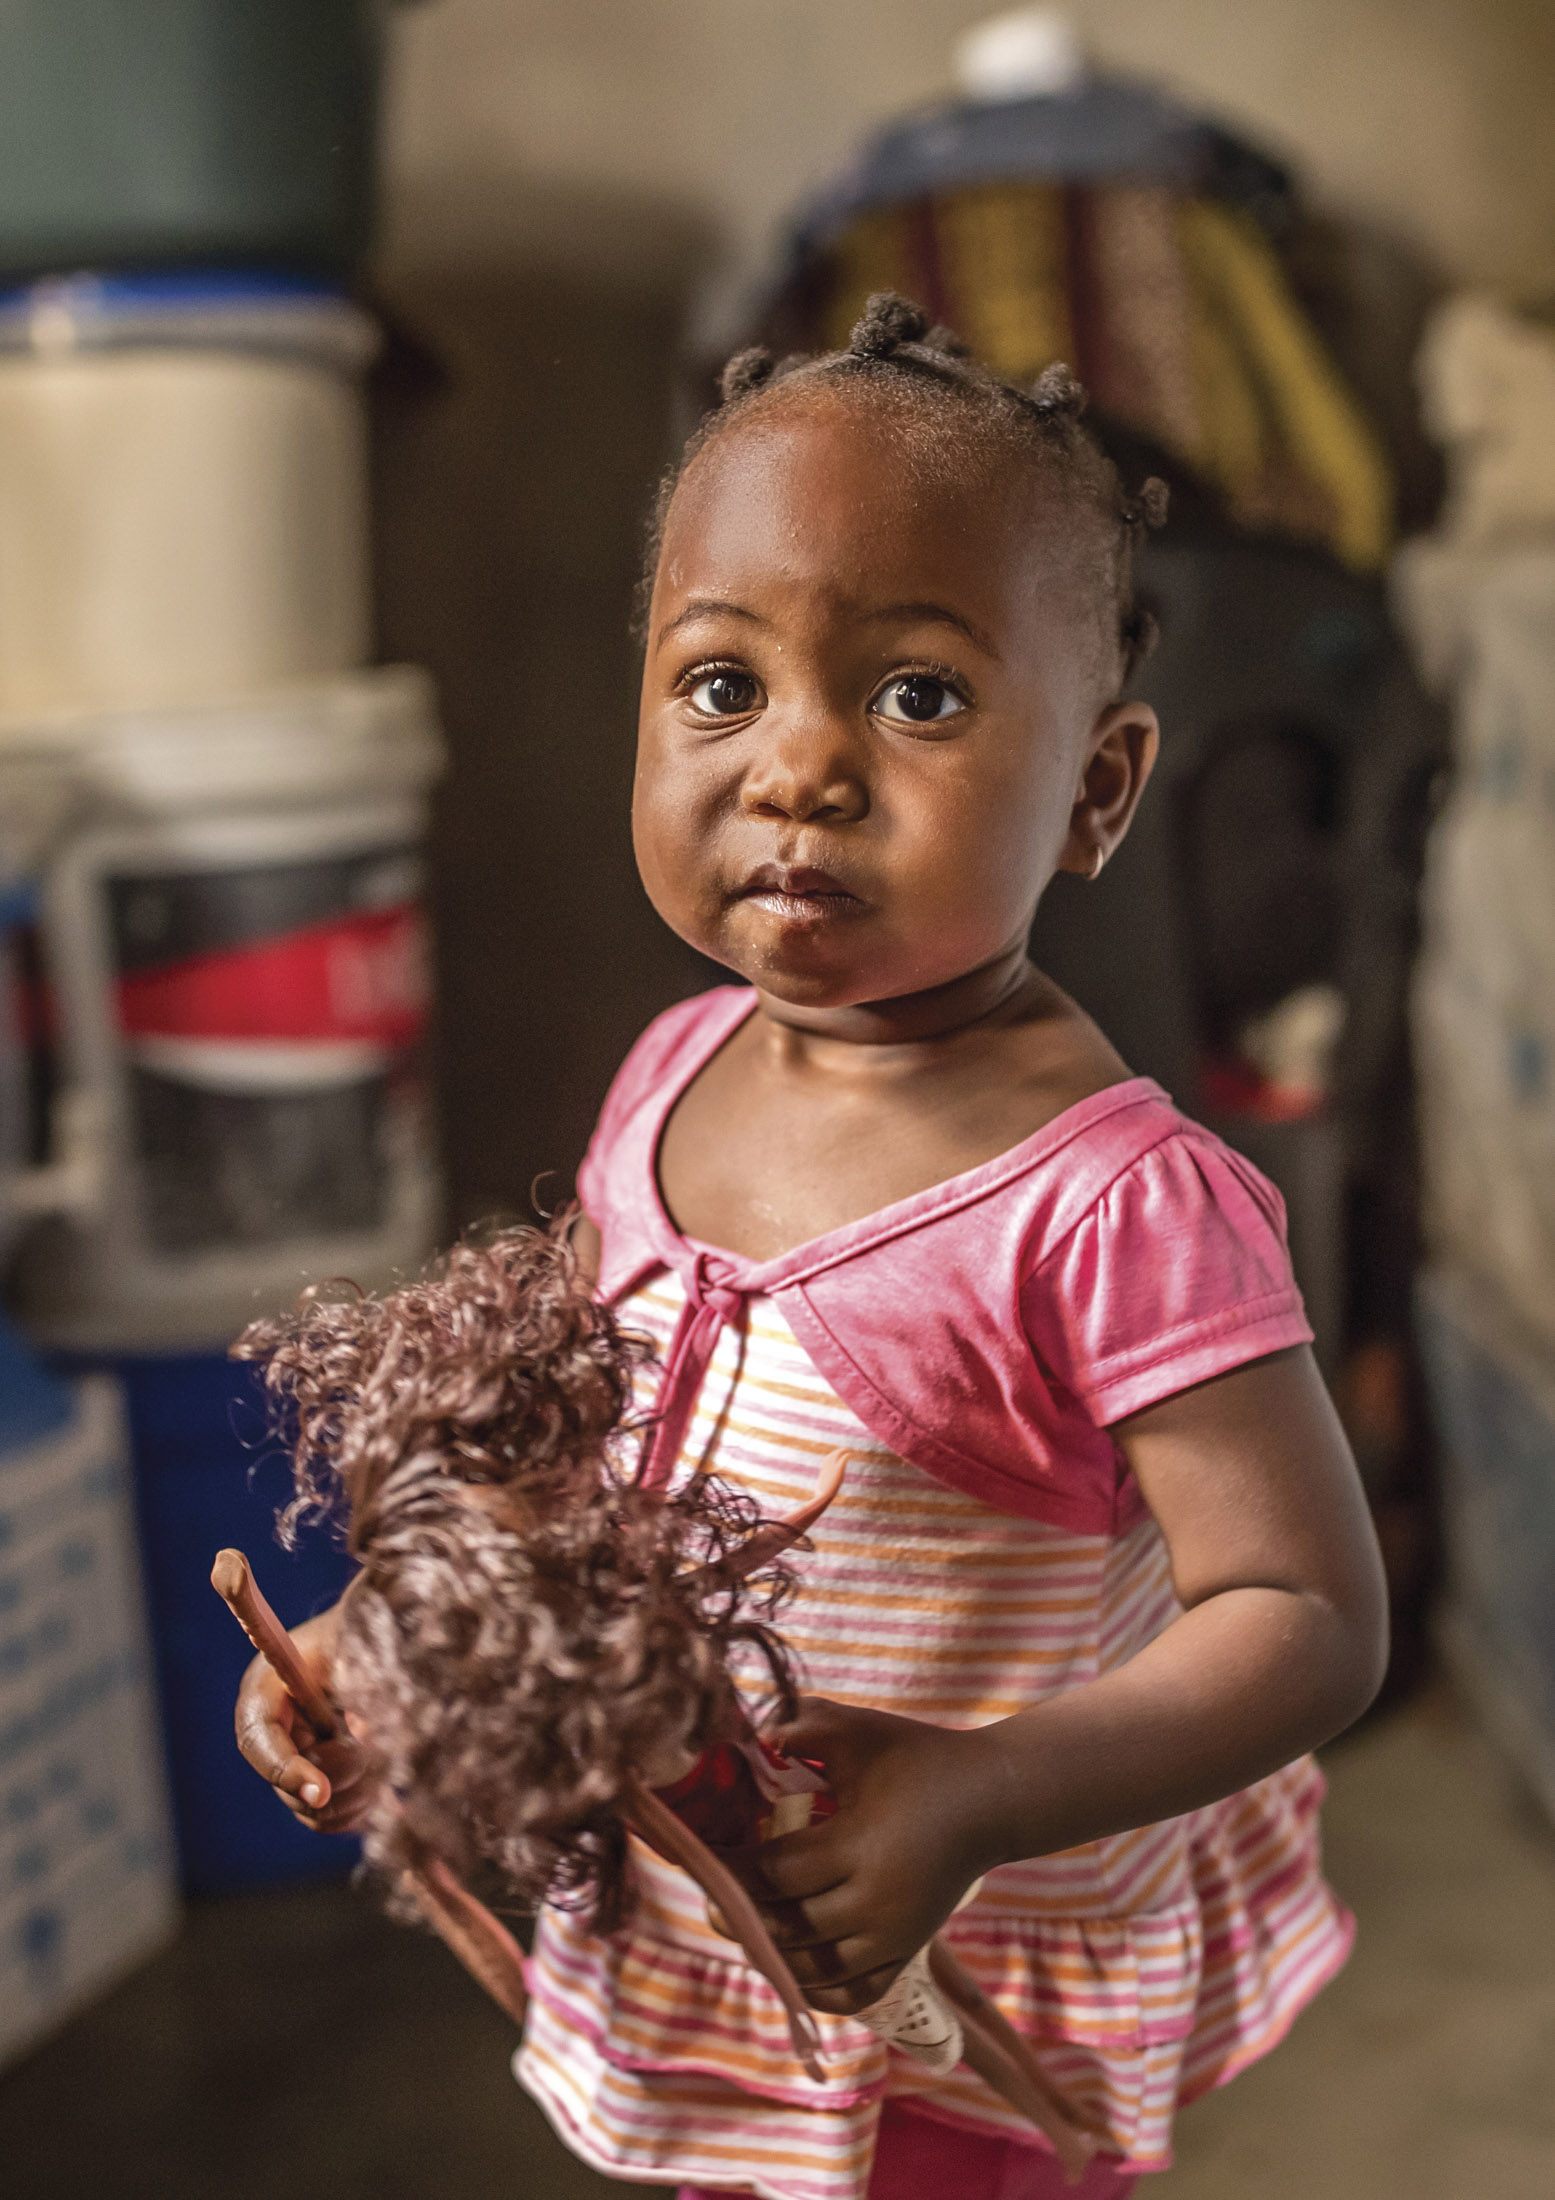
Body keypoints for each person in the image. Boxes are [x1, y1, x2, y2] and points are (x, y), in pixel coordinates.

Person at [234, 293, 1388, 2200]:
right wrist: (388, 1651)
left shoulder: (1107, 1206)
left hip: (955, 1963)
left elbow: (1309, 1619)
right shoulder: (675, 1071)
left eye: (918, 695)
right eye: (720, 685)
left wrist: (969, 1792)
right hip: (717, 1940)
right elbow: (583, 1479)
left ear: (1096, 787)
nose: (798, 769)